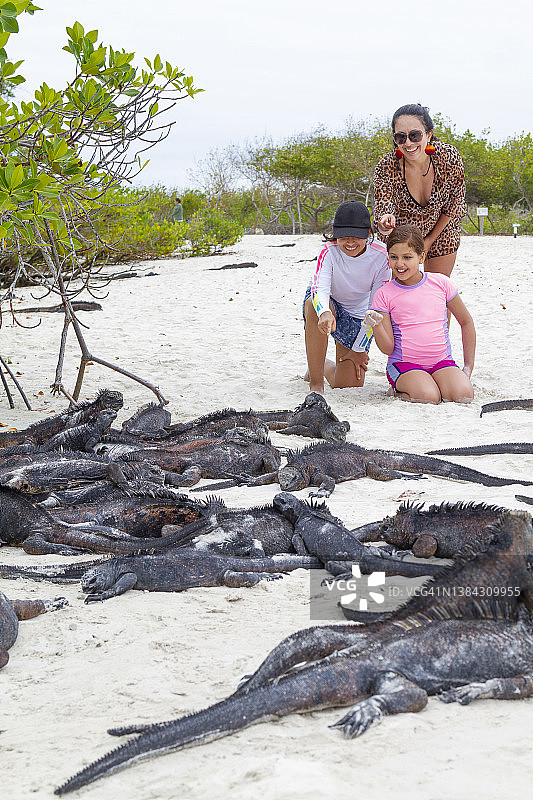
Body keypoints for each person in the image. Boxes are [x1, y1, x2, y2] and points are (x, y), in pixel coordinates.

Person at [366, 224, 475, 404]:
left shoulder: (441, 283)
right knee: (428, 397)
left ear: (421, 257)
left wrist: (468, 366)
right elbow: (387, 348)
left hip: (441, 362)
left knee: (463, 395)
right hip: (404, 366)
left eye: (407, 257)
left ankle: (434, 382)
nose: (399, 264)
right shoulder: (384, 294)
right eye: (394, 257)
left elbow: (466, 322)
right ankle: (400, 390)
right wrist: (376, 325)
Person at [303, 200, 391, 394]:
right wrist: (324, 312)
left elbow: (375, 309)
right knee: (313, 305)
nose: (350, 243)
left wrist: (359, 348)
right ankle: (316, 384)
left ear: (368, 233)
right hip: (328, 305)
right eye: (344, 237)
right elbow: (320, 288)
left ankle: (317, 365)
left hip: (359, 316)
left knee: (349, 383)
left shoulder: (382, 255)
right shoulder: (328, 250)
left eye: (356, 237)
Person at [374, 104, 466, 278]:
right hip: (402, 231)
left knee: (438, 288)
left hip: (443, 226)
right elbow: (383, 204)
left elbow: (455, 202)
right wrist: (385, 222)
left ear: (429, 134)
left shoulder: (449, 157)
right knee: (400, 291)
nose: (408, 143)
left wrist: (429, 240)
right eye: (401, 137)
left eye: (415, 135)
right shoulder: (385, 166)